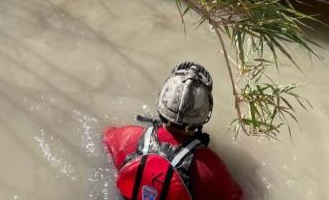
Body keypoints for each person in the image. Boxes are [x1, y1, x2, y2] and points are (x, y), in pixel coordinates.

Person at [103, 62, 244, 200]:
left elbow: (105, 139)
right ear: (205, 113)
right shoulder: (209, 168)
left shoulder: (126, 137)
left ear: (161, 101)